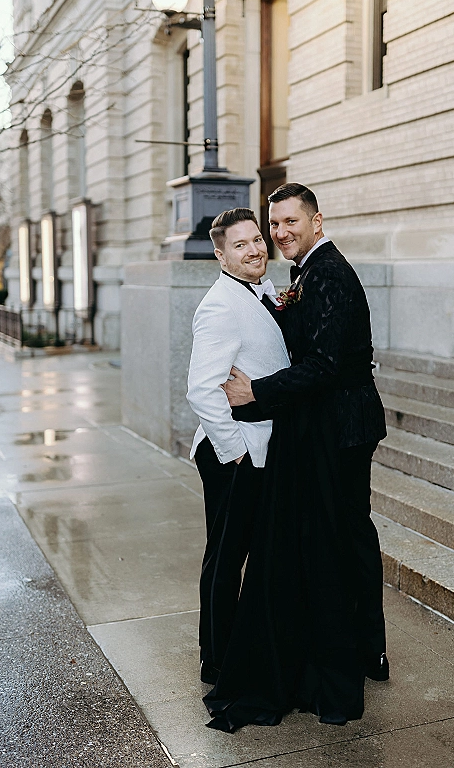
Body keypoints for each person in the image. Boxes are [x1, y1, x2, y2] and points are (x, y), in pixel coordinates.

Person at [204, 183, 388, 733]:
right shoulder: (304, 272)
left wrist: (258, 391)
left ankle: (365, 651)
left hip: (345, 428)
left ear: (316, 220)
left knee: (349, 537)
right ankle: (362, 649)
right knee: (348, 537)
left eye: (288, 223)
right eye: (273, 225)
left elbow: (328, 364)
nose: (280, 234)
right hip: (324, 427)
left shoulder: (328, 271)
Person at [186, 207, 289, 687]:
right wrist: (235, 452)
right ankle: (217, 658)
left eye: (256, 240)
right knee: (226, 559)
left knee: (240, 553)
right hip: (234, 452)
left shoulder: (262, 291)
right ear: (221, 253)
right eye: (241, 244)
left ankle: (230, 647)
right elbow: (202, 389)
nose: (254, 249)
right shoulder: (219, 305)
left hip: (258, 446)